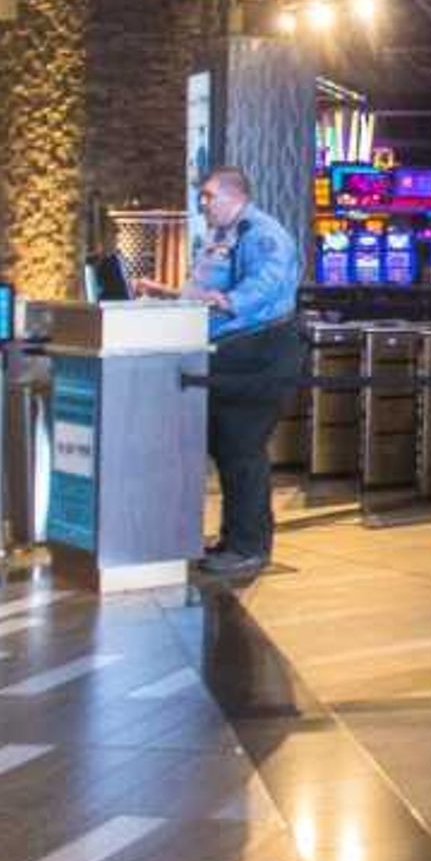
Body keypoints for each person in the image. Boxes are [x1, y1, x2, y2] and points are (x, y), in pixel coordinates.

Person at [156, 166, 301, 583]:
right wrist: (177, 298)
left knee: (242, 450)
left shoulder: (263, 233)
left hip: (260, 353)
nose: (202, 204)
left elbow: (265, 287)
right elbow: (202, 284)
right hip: (228, 355)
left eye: (208, 196)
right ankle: (232, 539)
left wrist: (224, 300)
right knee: (226, 449)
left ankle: (249, 548)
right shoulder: (219, 236)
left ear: (234, 196)